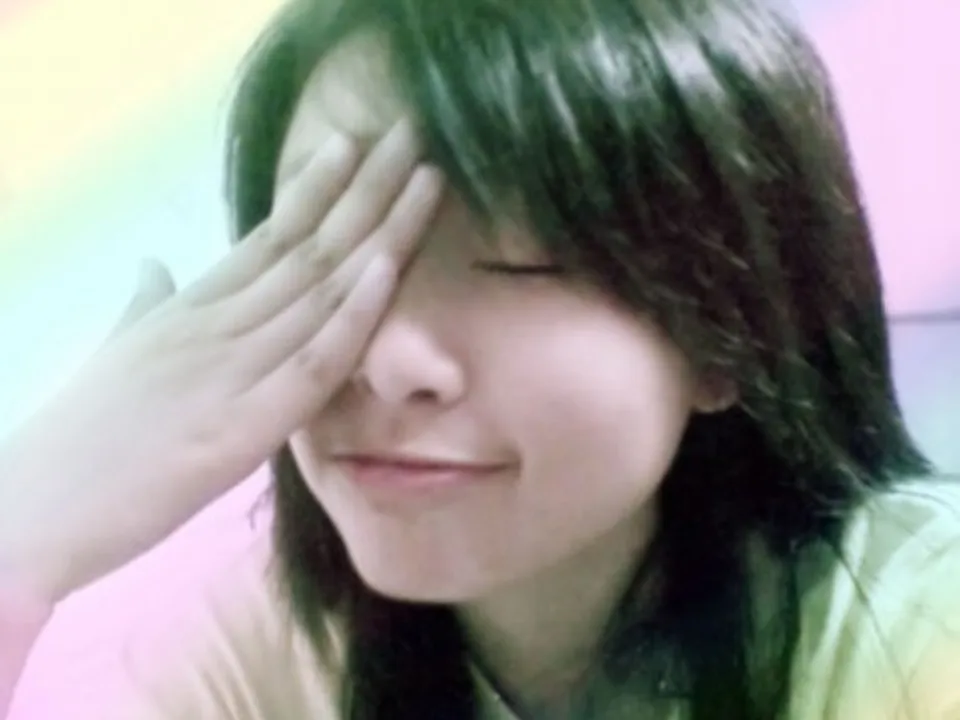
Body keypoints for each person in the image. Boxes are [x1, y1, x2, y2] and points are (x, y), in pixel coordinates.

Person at [2, 0, 959, 717]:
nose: (388, 361)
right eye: (331, 248)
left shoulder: (919, 626)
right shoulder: (230, 650)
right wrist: (20, 534)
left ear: (725, 334)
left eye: (518, 263)